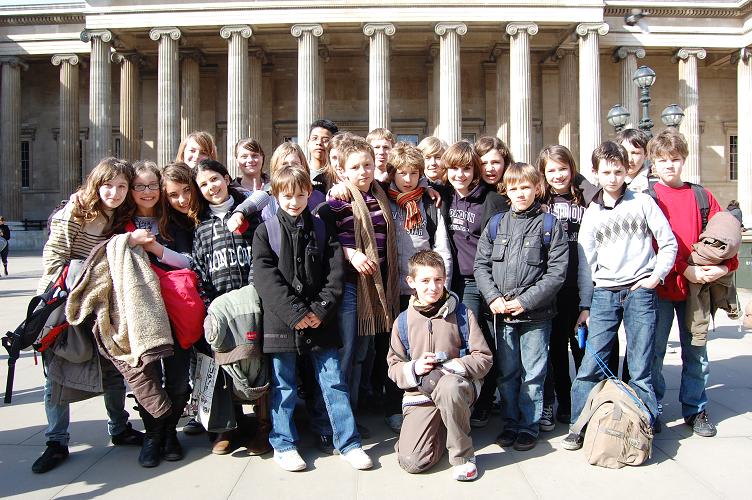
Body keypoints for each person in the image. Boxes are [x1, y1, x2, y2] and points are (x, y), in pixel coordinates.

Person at [253, 165, 373, 472]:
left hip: (321, 320)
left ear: (310, 193)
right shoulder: (266, 231)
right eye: (287, 195)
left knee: (333, 382)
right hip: (283, 322)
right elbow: (266, 279)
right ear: (276, 195)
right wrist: (296, 313)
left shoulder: (322, 227)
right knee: (284, 385)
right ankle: (284, 444)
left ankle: (347, 441)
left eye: (301, 194)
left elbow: (335, 275)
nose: (294, 201)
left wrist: (318, 311)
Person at [562, 141, 678, 451]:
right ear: (595, 174)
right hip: (604, 293)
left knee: (640, 364)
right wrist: (585, 306)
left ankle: (645, 421)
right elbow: (586, 266)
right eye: (606, 172)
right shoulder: (592, 214)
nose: (612, 178)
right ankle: (579, 424)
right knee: (591, 363)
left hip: (640, 292)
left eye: (618, 171)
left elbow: (668, 243)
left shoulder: (642, 203)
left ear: (627, 171)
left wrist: (655, 277)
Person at [32, 158, 144, 474]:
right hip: (64, 302)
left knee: (111, 367)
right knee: (57, 373)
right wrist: (56, 304)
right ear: (96, 184)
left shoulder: (120, 216)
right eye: (109, 185)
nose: (116, 191)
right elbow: (54, 261)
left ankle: (119, 427)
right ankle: (56, 440)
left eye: (122, 186)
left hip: (102, 301)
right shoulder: (74, 212)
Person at [648, 128, 739, 437]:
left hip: (697, 290)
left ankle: (696, 409)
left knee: (696, 351)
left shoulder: (701, 195)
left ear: (683, 160)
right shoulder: (647, 198)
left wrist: (725, 267)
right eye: (662, 160)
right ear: (653, 164)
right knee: (655, 352)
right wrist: (683, 269)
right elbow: (648, 246)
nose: (669, 166)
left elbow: (728, 237)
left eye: (674, 159)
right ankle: (653, 408)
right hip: (662, 287)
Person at [474, 162, 569, 451]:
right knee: (508, 373)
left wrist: (524, 301)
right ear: (506, 191)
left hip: (536, 316)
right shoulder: (496, 223)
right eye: (514, 188)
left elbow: (557, 273)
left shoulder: (550, 225)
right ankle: (511, 422)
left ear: (537, 188)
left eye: (525, 187)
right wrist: (493, 298)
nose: (520, 193)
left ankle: (529, 426)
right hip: (502, 315)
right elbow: (481, 266)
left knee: (534, 373)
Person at [319, 135, 400, 440]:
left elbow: (415, 181)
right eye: (356, 167)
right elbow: (328, 239)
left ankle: (349, 414)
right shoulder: (339, 199)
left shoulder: (380, 193)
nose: (364, 171)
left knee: (362, 353)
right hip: (351, 287)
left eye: (367, 164)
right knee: (346, 353)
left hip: (375, 286)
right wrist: (351, 253)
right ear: (344, 172)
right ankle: (333, 423)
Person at [387, 250, 492, 481]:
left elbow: (484, 357)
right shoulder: (402, 321)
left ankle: (463, 456)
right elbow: (393, 366)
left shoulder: (463, 314)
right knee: (412, 462)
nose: (433, 287)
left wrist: (454, 366)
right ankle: (442, 428)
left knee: (449, 388)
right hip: (421, 395)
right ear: (411, 282)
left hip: (456, 388)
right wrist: (413, 368)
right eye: (424, 281)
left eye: (438, 280)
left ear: (445, 279)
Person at [190, 159, 270, 456]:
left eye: (215, 179)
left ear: (226, 177)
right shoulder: (201, 227)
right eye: (204, 184)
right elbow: (200, 271)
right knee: (223, 362)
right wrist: (212, 306)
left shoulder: (251, 215)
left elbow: (261, 259)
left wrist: (251, 296)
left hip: (252, 303)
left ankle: (263, 424)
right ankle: (228, 425)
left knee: (258, 360)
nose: (212, 187)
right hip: (221, 307)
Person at [123, 161, 194, 467]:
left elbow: (189, 262)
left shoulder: (175, 222)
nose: (147, 192)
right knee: (148, 377)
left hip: (175, 306)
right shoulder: (120, 224)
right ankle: (153, 435)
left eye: (153, 185)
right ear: (131, 190)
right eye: (140, 186)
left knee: (178, 380)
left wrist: (154, 249)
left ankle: (169, 433)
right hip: (140, 310)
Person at [383, 141, 453, 432]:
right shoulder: (383, 199)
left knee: (425, 348)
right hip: (393, 288)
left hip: (424, 291)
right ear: (393, 173)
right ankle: (394, 405)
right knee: (396, 351)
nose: (409, 179)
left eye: (414, 173)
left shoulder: (428, 202)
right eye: (403, 173)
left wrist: (441, 281)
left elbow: (441, 245)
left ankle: (428, 401)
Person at [439, 140, 507, 429]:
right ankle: (468, 394)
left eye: (466, 169)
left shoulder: (490, 199)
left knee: (481, 341)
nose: (460, 175)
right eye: (454, 169)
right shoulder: (442, 195)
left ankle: (485, 397)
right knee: (459, 341)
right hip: (452, 280)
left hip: (478, 280)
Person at [537, 145, 597, 429]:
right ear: (543, 174)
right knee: (557, 348)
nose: (558, 175)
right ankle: (564, 399)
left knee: (583, 347)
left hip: (580, 281)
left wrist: (582, 181)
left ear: (573, 169)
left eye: (563, 169)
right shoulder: (540, 201)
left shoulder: (586, 197)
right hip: (553, 285)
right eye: (551, 170)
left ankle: (587, 399)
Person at [307, 119, 339, 194]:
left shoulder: (339, 174)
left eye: (325, 140)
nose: (319, 143)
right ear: (308, 142)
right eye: (314, 138)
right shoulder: (301, 172)